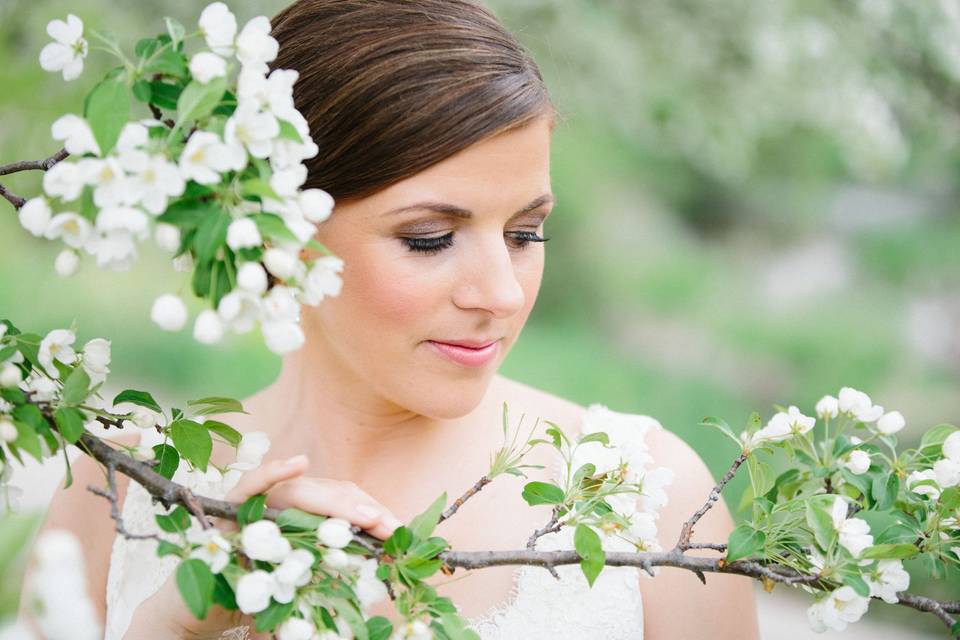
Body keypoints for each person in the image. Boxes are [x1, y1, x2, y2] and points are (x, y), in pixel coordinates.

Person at [25, 1, 759, 638]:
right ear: (275, 230)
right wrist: (175, 629)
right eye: (430, 239)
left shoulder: (650, 500)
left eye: (525, 233)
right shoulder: (118, 487)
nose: (500, 293)